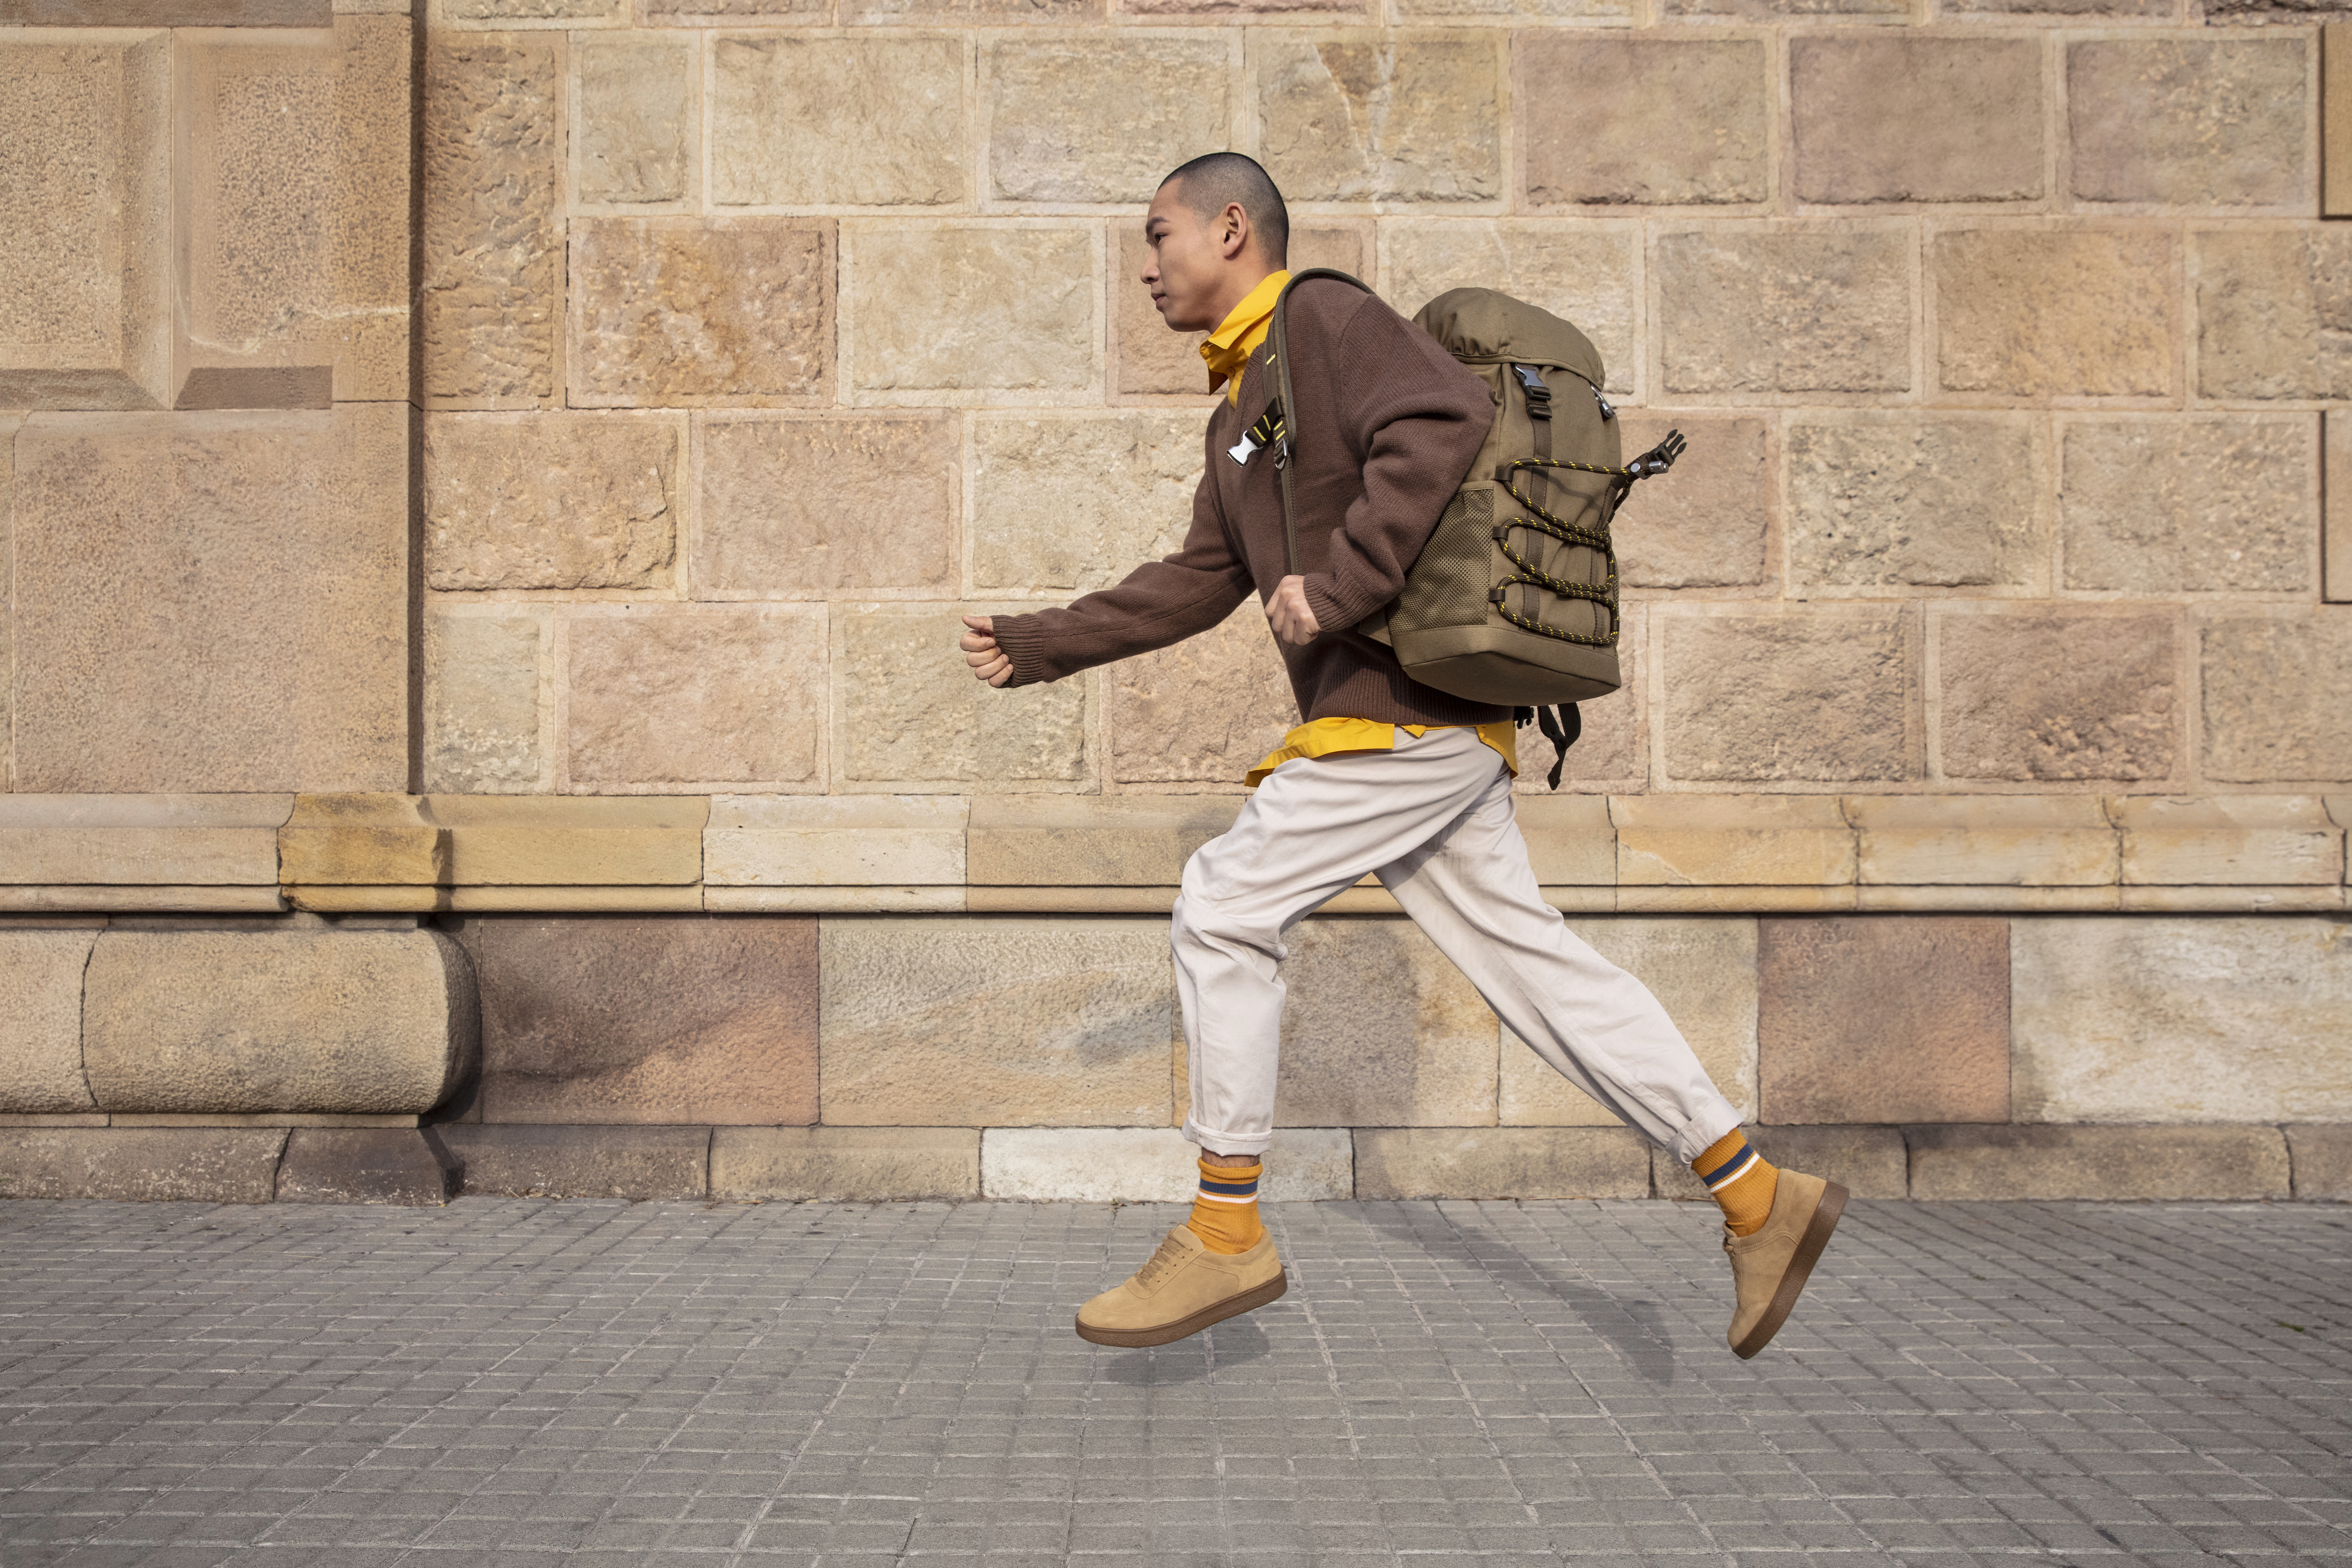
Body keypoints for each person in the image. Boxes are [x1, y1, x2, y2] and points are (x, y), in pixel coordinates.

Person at [957, 152, 1844, 1360]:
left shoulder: (1324, 316)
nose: (1146, 265)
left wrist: (1339, 588)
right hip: (1422, 728)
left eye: (1157, 235)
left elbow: (1441, 416)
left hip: (1401, 711)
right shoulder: (1241, 413)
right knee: (1539, 970)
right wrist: (1037, 643)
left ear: (1231, 228)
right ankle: (1756, 1195)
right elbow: (1196, 582)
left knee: (1222, 904)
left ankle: (1225, 1230)